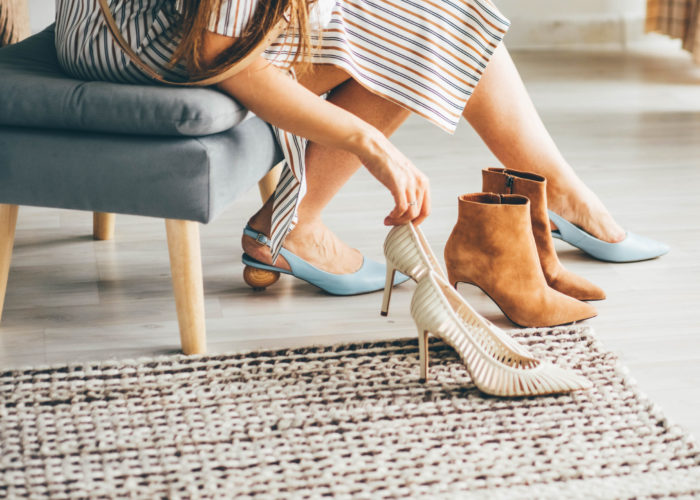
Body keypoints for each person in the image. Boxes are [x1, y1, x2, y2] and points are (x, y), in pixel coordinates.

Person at [55, 0, 666, 297]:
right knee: (429, 30)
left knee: (435, 12)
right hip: (146, 43)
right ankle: (295, 227)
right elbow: (217, 55)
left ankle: (554, 191)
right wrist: (365, 139)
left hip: (111, 23)